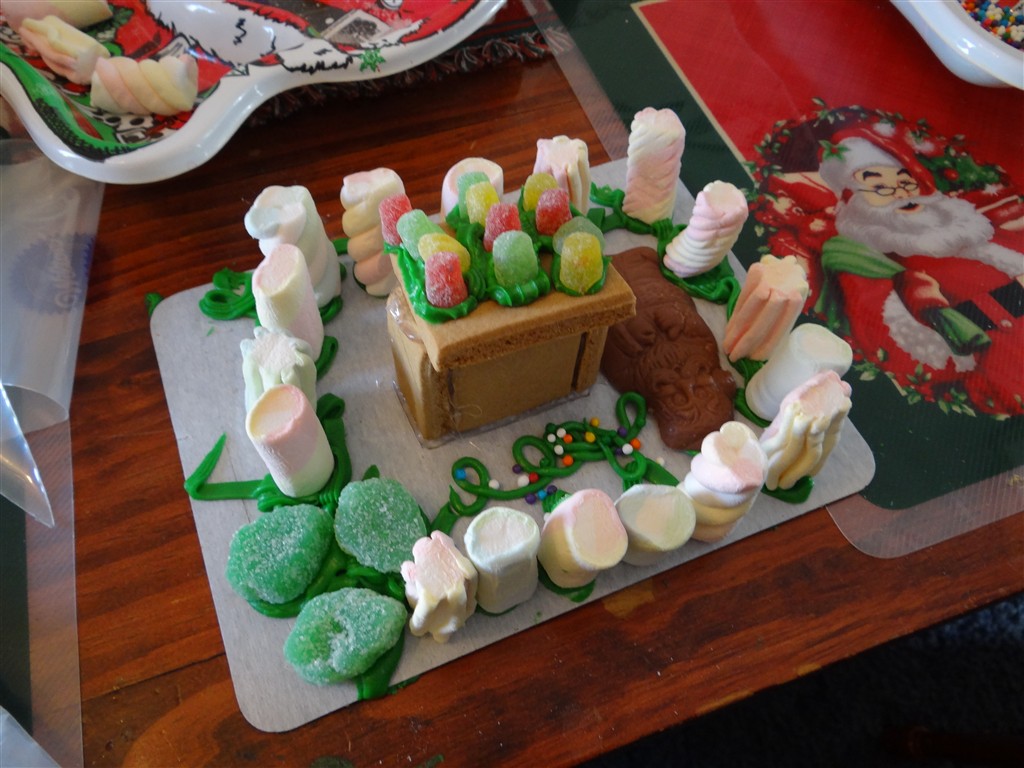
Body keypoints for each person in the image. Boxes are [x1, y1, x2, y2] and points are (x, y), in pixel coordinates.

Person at [814, 134, 1023, 416]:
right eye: (880, 187)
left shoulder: (967, 231)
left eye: (905, 182)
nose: (902, 193)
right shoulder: (864, 259)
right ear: (852, 200)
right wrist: (1009, 300)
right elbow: (909, 349)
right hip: (1002, 374)